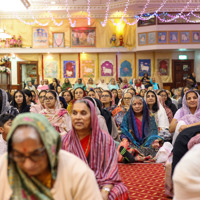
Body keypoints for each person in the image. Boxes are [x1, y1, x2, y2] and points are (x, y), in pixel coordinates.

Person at [0, 113, 102, 200]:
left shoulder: (77, 172)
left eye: (36, 155)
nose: (28, 164)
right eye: (20, 156)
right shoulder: (4, 165)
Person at [62, 99, 129, 200]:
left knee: (120, 191)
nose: (78, 117)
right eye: (74, 113)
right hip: (72, 184)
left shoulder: (105, 139)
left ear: (92, 116)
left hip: (101, 183)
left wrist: (105, 191)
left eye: (83, 113)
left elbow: (111, 170)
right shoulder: (65, 140)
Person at [119, 96, 163, 163]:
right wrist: (124, 138)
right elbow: (124, 131)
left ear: (144, 105)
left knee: (157, 145)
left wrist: (154, 140)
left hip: (147, 143)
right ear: (131, 106)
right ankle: (135, 156)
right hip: (133, 143)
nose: (137, 106)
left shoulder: (149, 116)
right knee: (124, 145)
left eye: (140, 104)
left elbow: (153, 131)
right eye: (134, 104)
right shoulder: (128, 116)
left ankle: (134, 157)